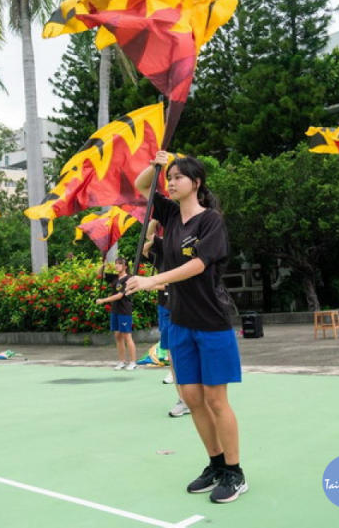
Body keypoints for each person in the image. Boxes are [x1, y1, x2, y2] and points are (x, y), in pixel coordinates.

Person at [126, 151, 247, 504]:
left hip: (211, 322)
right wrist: (157, 164)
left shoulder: (211, 222)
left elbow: (198, 265)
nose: (171, 182)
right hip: (180, 322)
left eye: (178, 177)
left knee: (216, 400)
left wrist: (153, 280)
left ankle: (235, 473)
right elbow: (141, 185)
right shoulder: (169, 215)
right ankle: (215, 464)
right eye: (171, 177)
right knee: (192, 398)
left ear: (196, 183)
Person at [142, 222, 190, 417]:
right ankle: (183, 399)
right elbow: (147, 240)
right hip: (165, 308)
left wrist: (155, 284)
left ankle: (193, 397)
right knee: (172, 353)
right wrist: (156, 216)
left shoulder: (187, 247)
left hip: (185, 306)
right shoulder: (162, 248)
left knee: (185, 353)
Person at [97, 257, 137, 370]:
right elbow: (100, 273)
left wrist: (103, 300)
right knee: (117, 336)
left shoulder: (129, 279)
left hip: (124, 310)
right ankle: (122, 361)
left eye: (120, 264)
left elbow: (119, 296)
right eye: (116, 264)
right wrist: (103, 265)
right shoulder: (115, 278)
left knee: (127, 336)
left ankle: (133, 362)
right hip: (115, 310)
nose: (117, 266)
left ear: (125, 266)